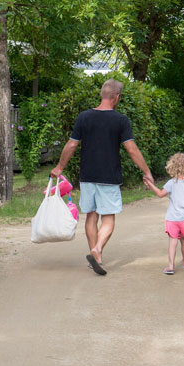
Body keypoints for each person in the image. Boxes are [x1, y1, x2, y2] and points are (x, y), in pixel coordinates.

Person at [51, 79, 155, 276]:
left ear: (102, 94)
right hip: (109, 177)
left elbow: (72, 145)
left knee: (91, 215)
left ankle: (96, 256)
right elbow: (131, 150)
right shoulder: (121, 120)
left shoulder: (84, 117)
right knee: (108, 218)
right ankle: (97, 250)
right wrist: (146, 171)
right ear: (116, 97)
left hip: (87, 176)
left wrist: (59, 167)